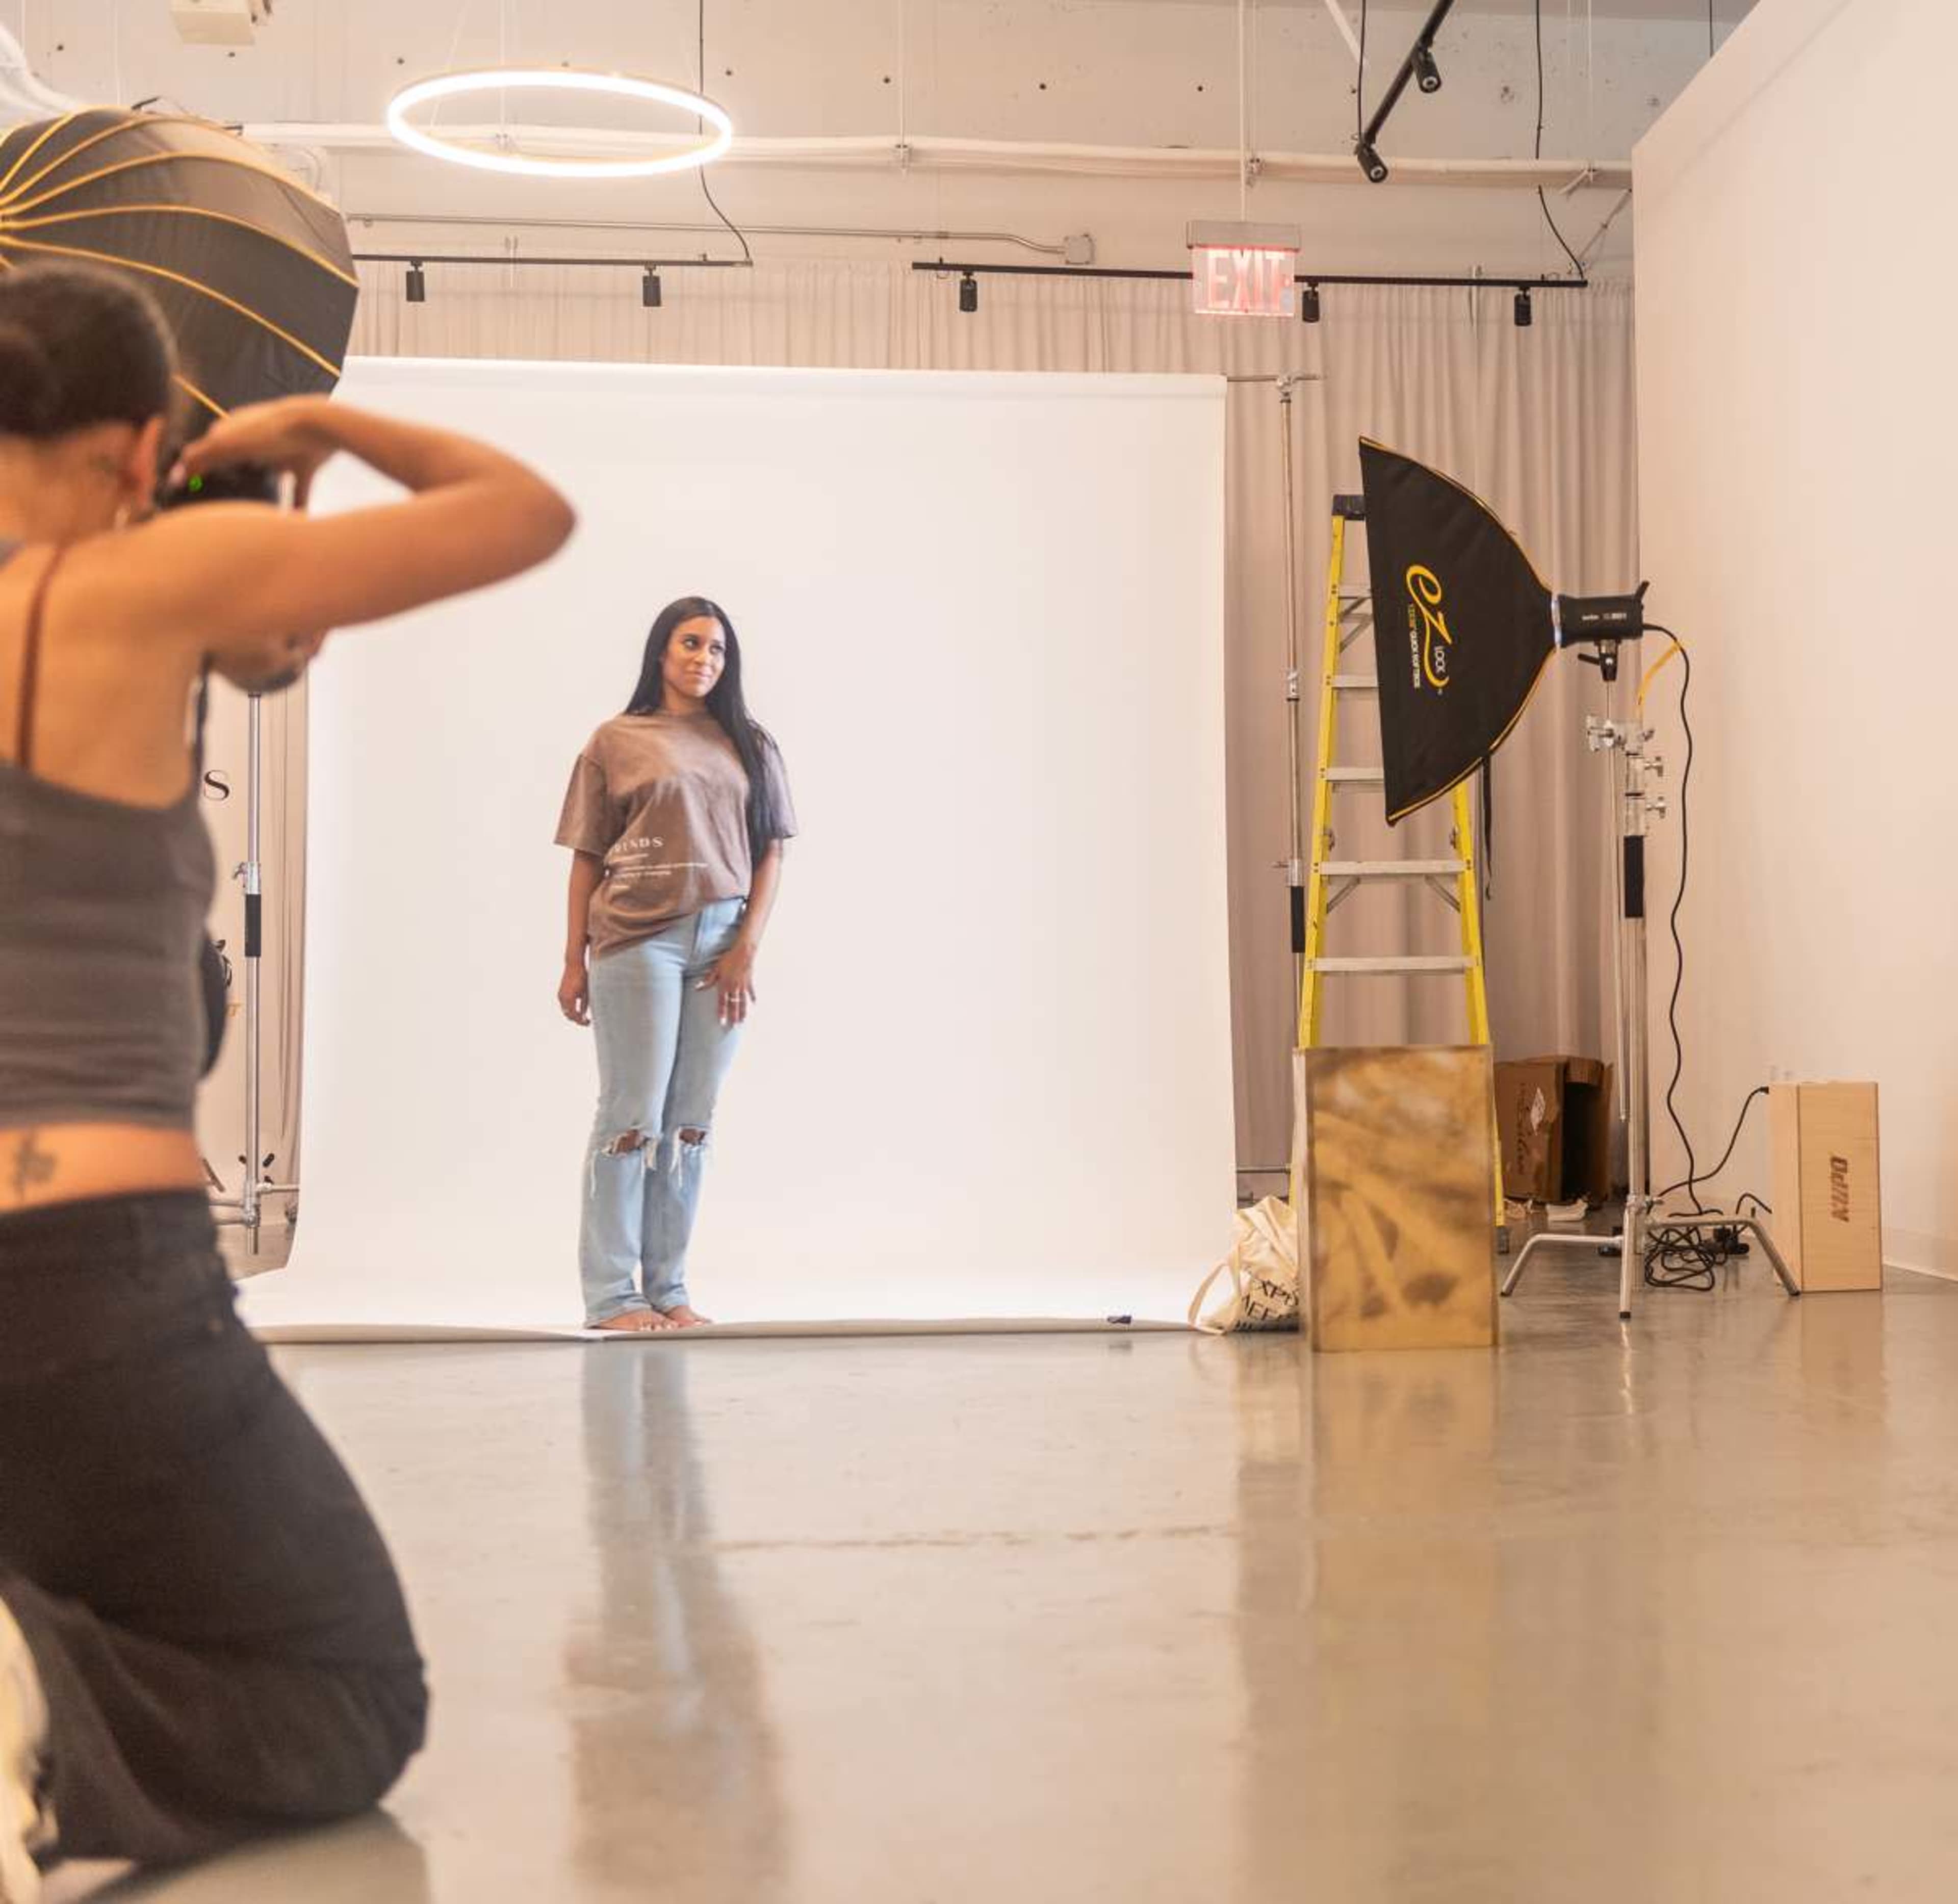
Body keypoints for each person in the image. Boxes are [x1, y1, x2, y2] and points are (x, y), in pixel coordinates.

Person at [0, 262, 575, 1899]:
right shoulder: (141, 580)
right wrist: (323, 427)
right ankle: (28, 1707)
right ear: (140, 447)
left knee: (101, 1560)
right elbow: (523, 512)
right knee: (349, 1686)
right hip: (94, 1282)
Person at [556, 598, 795, 1333]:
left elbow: (771, 853)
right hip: (638, 942)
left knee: (690, 1123)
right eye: (691, 643)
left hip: (722, 943)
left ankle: (668, 1288)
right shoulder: (616, 740)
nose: (704, 659)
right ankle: (611, 1297)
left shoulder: (750, 743)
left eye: (718, 649)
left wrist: (746, 947)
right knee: (632, 1115)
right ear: (662, 650)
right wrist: (572, 961)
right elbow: (587, 856)